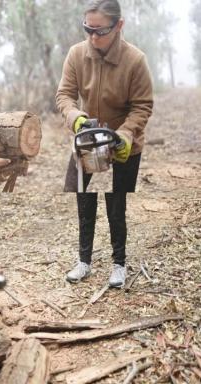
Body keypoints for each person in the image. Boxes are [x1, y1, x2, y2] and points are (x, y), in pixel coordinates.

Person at [56, 0, 153, 287]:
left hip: (122, 145)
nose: (93, 37)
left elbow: (142, 106)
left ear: (119, 25)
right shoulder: (76, 54)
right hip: (86, 141)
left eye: (100, 31)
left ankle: (119, 264)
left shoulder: (135, 61)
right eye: (88, 29)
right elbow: (64, 95)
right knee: (84, 203)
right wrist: (76, 118)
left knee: (116, 206)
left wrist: (125, 134)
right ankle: (83, 261)